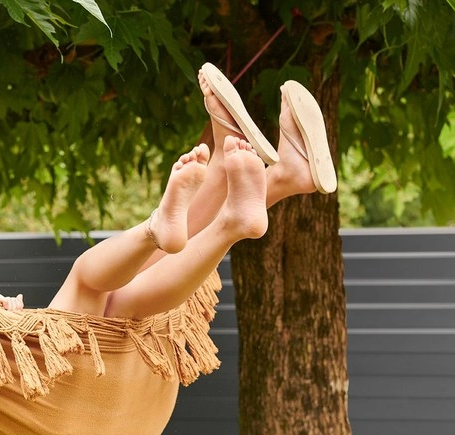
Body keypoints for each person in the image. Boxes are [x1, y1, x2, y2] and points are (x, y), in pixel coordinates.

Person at [25, 63, 336, 320]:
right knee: (86, 281)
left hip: (88, 374)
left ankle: (266, 181)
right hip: (58, 371)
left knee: (120, 299)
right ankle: (166, 224)